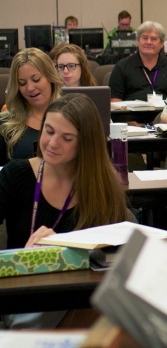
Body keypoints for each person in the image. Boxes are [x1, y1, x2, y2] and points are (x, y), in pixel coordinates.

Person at [0, 94, 128, 328]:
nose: (52, 143)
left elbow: (114, 256)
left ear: (85, 144)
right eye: (48, 131)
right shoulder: (15, 175)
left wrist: (63, 245)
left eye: (66, 138)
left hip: (80, 297)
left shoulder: (103, 187)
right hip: (24, 298)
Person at [0, 48, 63, 164]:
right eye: (22, 83)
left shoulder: (71, 116)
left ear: (50, 78)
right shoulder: (5, 124)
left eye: (36, 79)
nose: (30, 88)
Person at [108, 21, 167, 102]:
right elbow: (114, 101)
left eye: (154, 39)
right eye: (144, 38)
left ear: (162, 43)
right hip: (131, 114)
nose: (149, 42)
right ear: (137, 41)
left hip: (164, 114)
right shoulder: (122, 67)